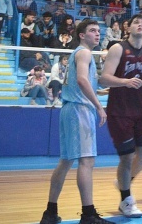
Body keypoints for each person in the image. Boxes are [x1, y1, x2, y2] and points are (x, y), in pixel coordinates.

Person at [39, 19, 111, 224]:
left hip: (69, 108)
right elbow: (81, 80)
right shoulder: (85, 52)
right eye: (92, 31)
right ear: (81, 35)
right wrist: (98, 105)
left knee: (65, 161)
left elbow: (79, 84)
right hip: (79, 110)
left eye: (99, 31)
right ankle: (88, 215)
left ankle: (50, 213)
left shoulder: (76, 54)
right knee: (86, 161)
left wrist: (103, 92)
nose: (97, 34)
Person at [98, 13, 142, 218]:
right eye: (136, 22)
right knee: (127, 157)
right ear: (128, 28)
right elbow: (104, 79)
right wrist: (125, 82)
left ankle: (123, 182)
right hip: (119, 111)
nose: (140, 25)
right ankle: (126, 200)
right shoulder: (118, 48)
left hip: (140, 111)